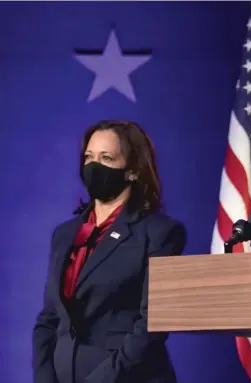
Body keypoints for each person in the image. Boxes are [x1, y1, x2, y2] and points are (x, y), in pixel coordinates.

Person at [32, 121, 187, 383]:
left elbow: (151, 325)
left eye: (107, 158)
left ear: (133, 171)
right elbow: (50, 318)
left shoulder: (160, 233)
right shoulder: (65, 234)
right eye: (89, 157)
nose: (94, 166)